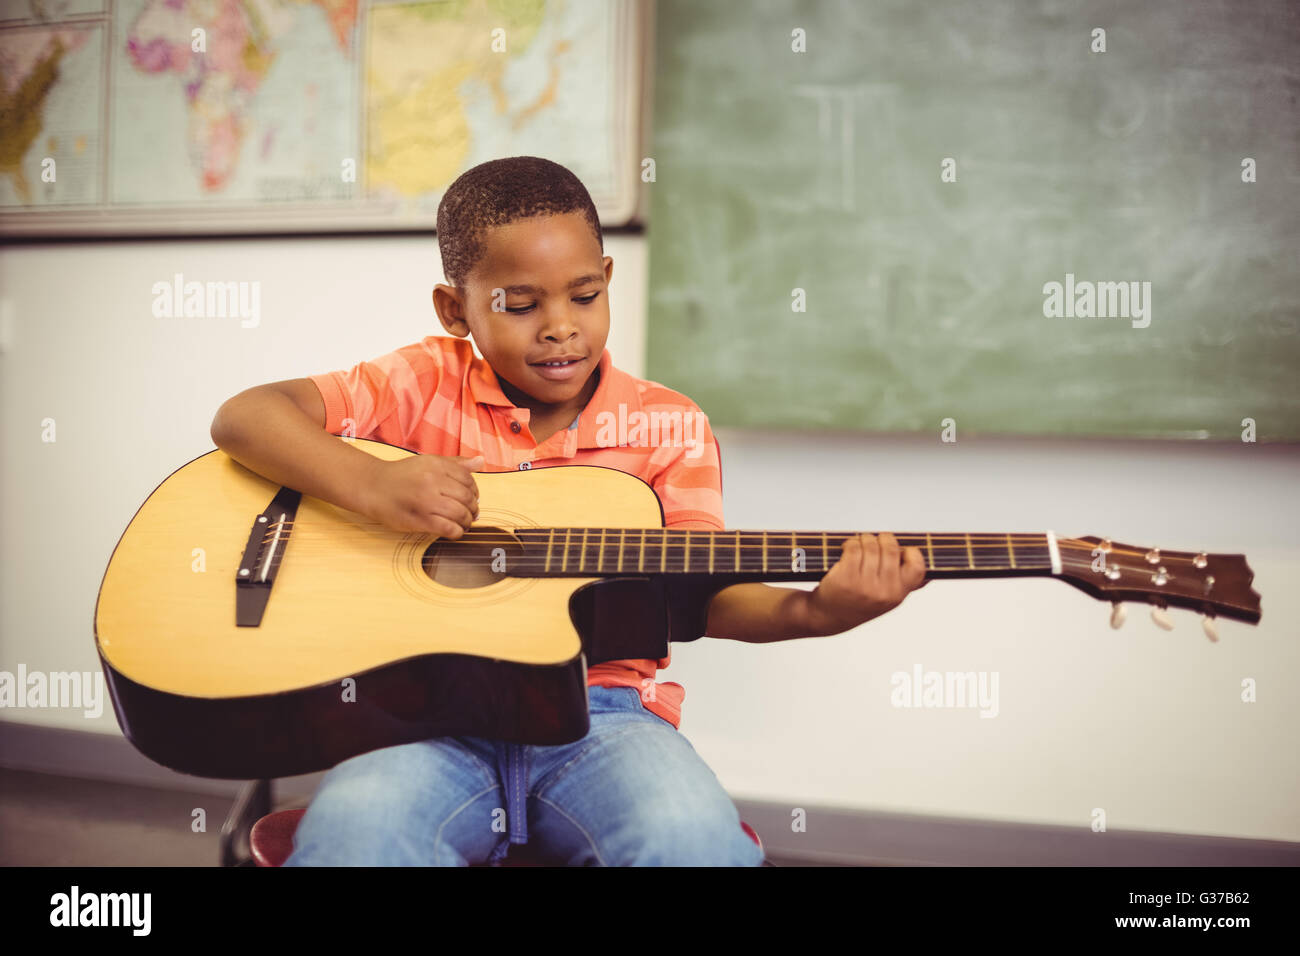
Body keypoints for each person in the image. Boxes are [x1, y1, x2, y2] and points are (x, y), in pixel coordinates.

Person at [209, 156, 927, 865]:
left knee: (689, 841)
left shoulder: (669, 427)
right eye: (520, 305)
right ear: (455, 309)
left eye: (583, 297)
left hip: (605, 722)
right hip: (427, 719)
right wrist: (371, 484)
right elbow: (246, 417)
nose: (560, 327)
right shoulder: (418, 383)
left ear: (607, 281)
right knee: (358, 840)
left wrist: (816, 613)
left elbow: (699, 596)